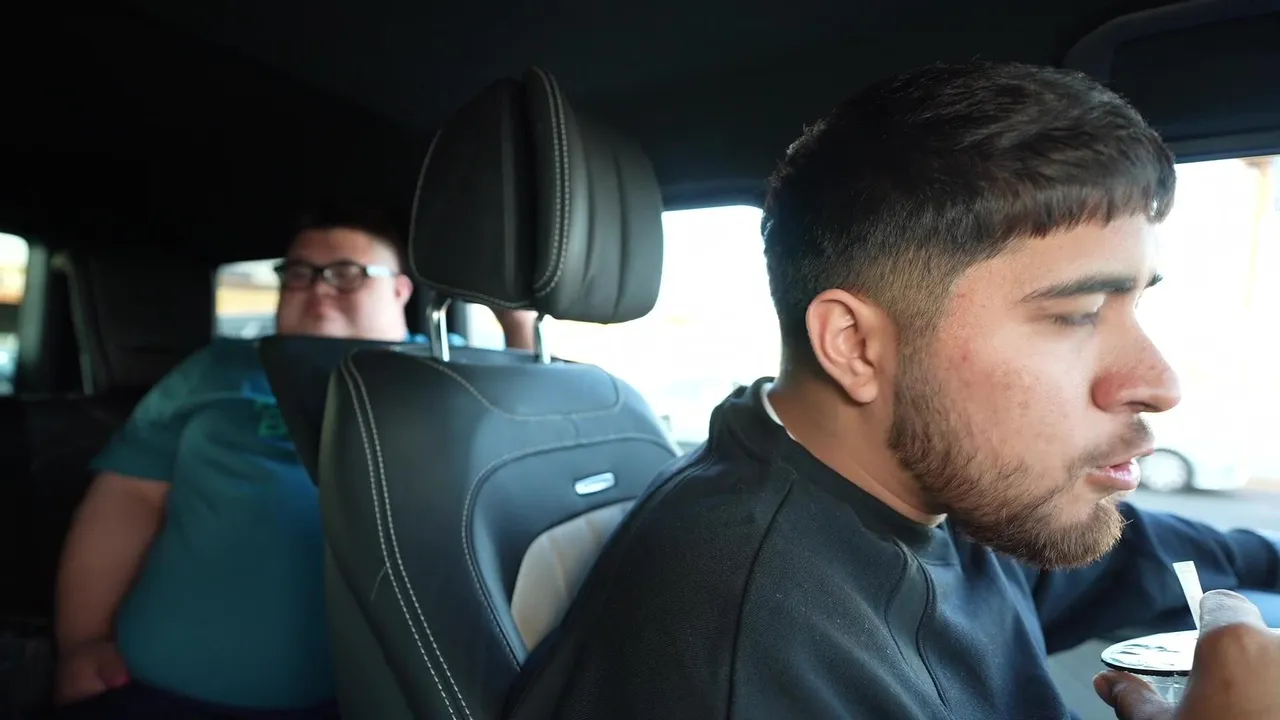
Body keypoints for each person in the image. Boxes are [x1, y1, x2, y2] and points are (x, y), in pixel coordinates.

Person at [503, 62, 1280, 720]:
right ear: (855, 346)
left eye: (1135, 305)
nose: (1159, 383)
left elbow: (1119, 558)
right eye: (1076, 315)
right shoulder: (754, 653)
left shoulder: (933, 482)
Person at [53, 206, 536, 718]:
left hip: (378, 698)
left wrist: (519, 323)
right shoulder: (217, 369)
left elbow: (532, 446)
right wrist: (82, 640)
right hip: (161, 684)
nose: (318, 288)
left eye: (346, 273)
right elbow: (126, 500)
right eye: (299, 272)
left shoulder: (450, 370)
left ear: (399, 291)